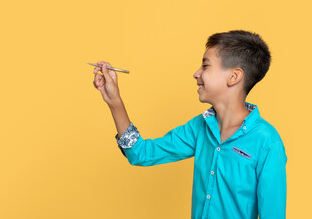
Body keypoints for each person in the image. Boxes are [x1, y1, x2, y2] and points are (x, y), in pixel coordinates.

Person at [92, 30, 287, 219]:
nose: (196, 73)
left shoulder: (267, 141)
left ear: (234, 77)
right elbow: (140, 153)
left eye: (205, 66)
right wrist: (115, 102)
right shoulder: (200, 127)